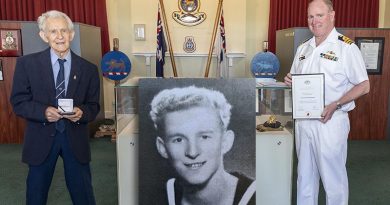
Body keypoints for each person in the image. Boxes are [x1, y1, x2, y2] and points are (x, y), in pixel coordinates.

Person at [284, 0, 370, 204]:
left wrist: (336, 104)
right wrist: (290, 81)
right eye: (310, 17)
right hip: (304, 123)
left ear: (332, 15)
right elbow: (296, 80)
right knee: (304, 176)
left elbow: (364, 85)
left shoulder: (346, 48)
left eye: (319, 15)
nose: (314, 21)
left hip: (330, 122)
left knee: (333, 179)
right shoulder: (303, 49)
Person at [10, 10, 100, 205]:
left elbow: (94, 106)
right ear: (44, 36)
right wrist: (43, 112)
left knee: (83, 195)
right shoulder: (26, 65)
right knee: (36, 195)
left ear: (71, 34)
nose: (59, 36)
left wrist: (82, 113)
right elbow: (18, 102)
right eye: (53, 32)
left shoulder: (89, 69)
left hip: (75, 139)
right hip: (41, 139)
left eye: (63, 30)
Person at [149, 86, 256, 205]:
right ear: (162, 148)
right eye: (179, 139)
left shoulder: (255, 197)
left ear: (225, 142)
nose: (192, 152)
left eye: (204, 137)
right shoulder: (156, 196)